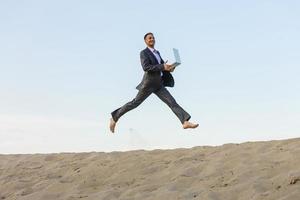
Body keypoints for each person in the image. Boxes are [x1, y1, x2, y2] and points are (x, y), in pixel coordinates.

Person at [109, 32, 198, 133]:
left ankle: (184, 122)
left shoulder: (157, 53)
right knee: (134, 103)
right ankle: (114, 117)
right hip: (149, 83)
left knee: (172, 102)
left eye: (153, 38)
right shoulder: (144, 53)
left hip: (159, 84)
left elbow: (162, 66)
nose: (152, 39)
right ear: (145, 41)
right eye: (149, 38)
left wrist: (169, 68)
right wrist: (162, 67)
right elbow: (146, 67)